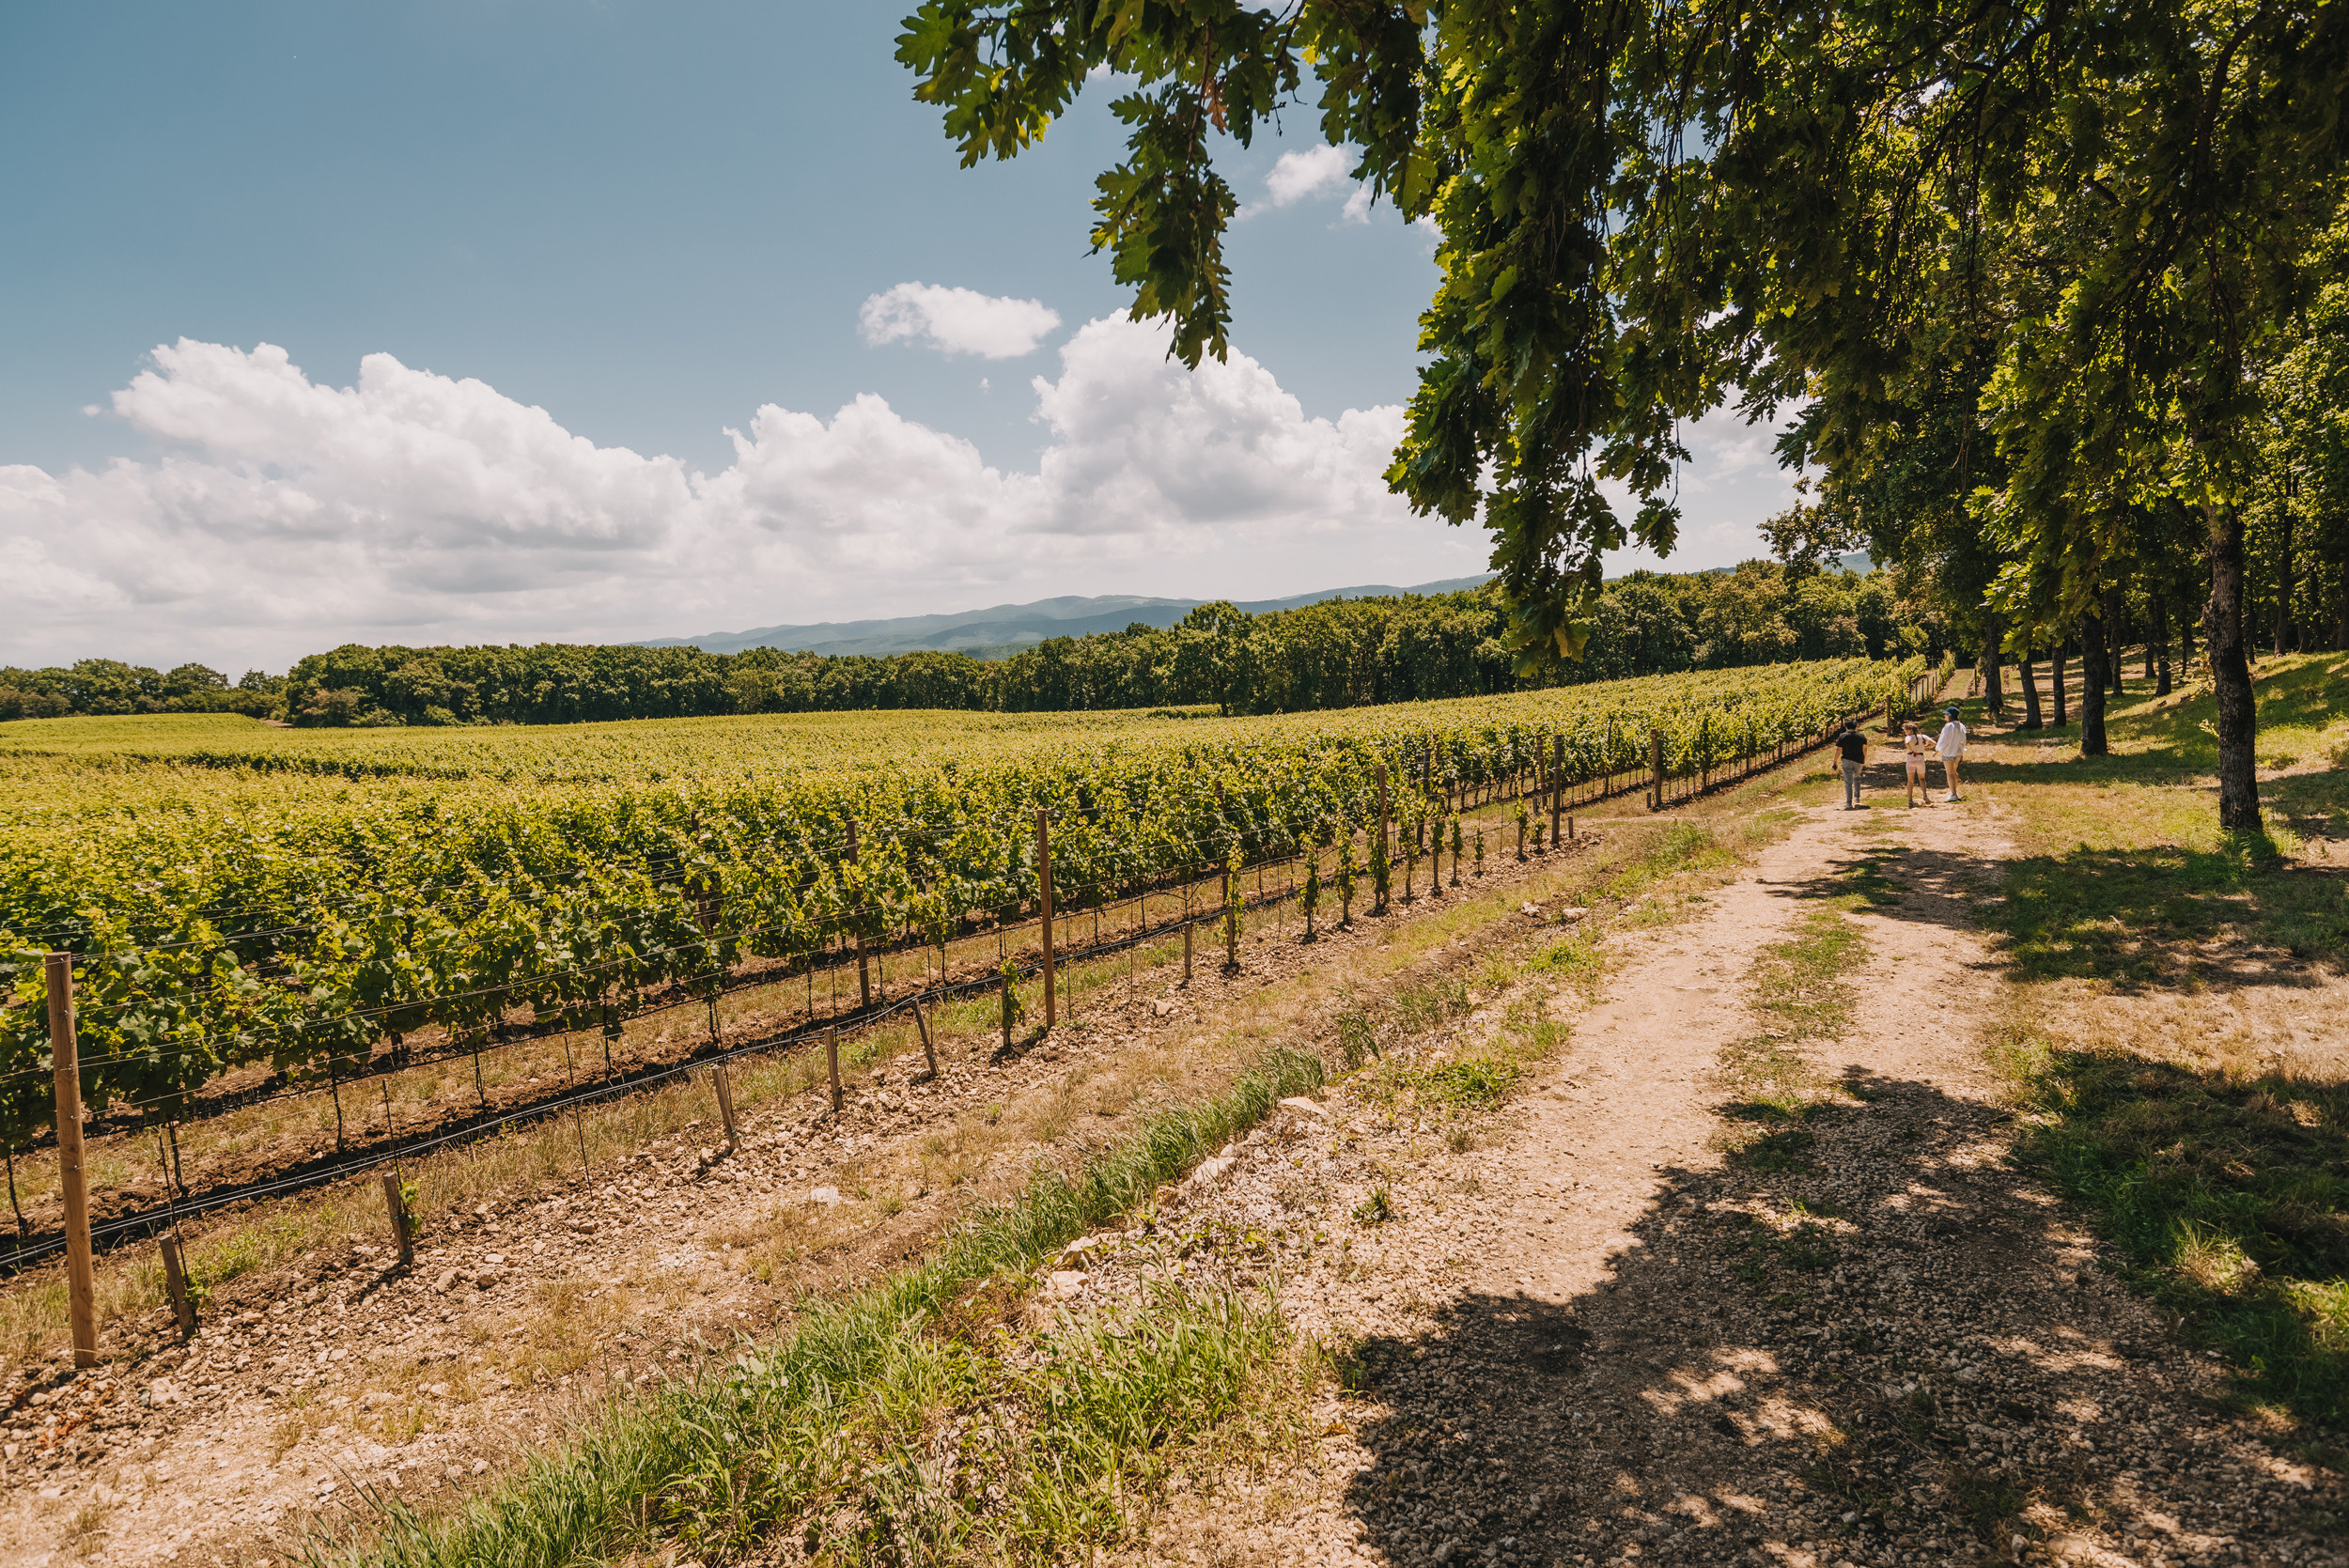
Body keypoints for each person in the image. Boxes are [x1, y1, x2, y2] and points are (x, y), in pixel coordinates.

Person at [1936, 705, 1969, 800]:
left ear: (1950, 716)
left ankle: (1954, 794)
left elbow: (1944, 739)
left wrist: (1938, 750)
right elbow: (1963, 741)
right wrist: (1962, 753)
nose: (1944, 717)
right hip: (1958, 753)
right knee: (1954, 773)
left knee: (1949, 773)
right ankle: (1953, 791)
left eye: (1946, 715)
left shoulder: (1949, 726)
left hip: (1949, 752)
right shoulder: (1962, 726)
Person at [1835, 720, 1868, 809]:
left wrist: (1835, 761)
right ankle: (1857, 799)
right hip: (1859, 760)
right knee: (1857, 778)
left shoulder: (1843, 736)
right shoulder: (1861, 736)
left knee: (1848, 782)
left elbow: (1839, 749)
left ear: (1846, 726)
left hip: (1847, 760)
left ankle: (1849, 803)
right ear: (1856, 726)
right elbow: (1864, 748)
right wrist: (1864, 758)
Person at [1901, 720, 1933, 807]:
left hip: (1911, 759)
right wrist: (1926, 746)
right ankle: (1925, 795)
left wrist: (1911, 751)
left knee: (1910, 781)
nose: (1906, 733)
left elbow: (1907, 743)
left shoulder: (1909, 737)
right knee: (1922, 779)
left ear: (1910, 730)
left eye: (1906, 731)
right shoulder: (1922, 736)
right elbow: (1934, 743)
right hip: (1921, 759)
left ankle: (1910, 801)